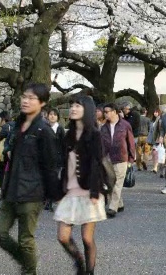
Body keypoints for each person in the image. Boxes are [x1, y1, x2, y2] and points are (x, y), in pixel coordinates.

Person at [0, 83, 60, 274]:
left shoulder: (44, 131)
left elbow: (50, 167)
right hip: (11, 190)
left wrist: (54, 195)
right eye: (24, 96)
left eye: (31, 98)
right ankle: (27, 263)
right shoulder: (18, 126)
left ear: (42, 103)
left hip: (31, 194)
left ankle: (29, 271)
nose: (25, 100)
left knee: (25, 240)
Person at [54, 95, 106, 275]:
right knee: (63, 236)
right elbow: (62, 163)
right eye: (72, 105)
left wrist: (94, 191)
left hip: (88, 191)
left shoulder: (95, 135)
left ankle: (89, 272)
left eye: (78, 105)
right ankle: (79, 261)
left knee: (87, 238)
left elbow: (97, 163)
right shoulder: (68, 134)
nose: (73, 108)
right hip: (70, 193)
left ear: (87, 110)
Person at [100, 103, 135, 218]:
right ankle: (119, 204)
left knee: (118, 184)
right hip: (107, 158)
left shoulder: (125, 125)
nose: (105, 114)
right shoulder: (103, 127)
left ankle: (112, 207)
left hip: (121, 157)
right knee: (110, 183)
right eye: (104, 112)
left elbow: (131, 142)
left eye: (107, 111)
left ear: (114, 111)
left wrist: (131, 158)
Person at [45, 108, 66, 211]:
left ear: (58, 117)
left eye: (54, 115)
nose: (52, 116)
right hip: (47, 158)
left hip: (57, 158)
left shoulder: (60, 129)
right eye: (50, 114)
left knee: (55, 179)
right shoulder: (44, 128)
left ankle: (53, 200)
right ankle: (48, 200)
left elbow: (63, 145)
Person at [148, 108, 163, 174]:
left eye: (156, 112)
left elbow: (161, 130)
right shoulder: (153, 120)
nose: (155, 113)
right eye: (154, 112)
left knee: (156, 153)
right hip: (153, 139)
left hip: (159, 139)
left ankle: (156, 167)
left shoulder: (160, 120)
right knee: (154, 153)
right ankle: (155, 166)